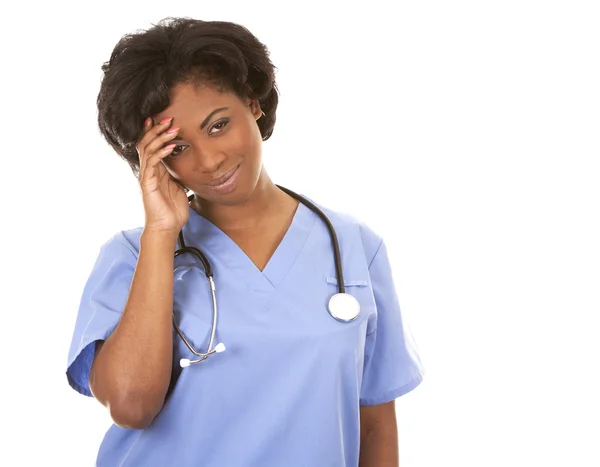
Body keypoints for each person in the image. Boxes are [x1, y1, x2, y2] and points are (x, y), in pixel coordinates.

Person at [65, 16, 425, 467]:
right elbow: (131, 407)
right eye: (177, 148)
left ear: (253, 103)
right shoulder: (132, 256)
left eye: (218, 125)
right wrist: (161, 234)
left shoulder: (355, 248)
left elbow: (374, 425)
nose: (210, 160)